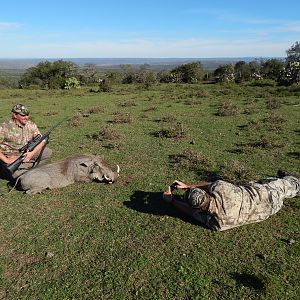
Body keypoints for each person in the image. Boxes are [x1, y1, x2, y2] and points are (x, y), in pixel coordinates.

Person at [163, 171, 300, 231]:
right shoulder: (220, 188)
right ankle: (292, 182)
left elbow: (191, 212)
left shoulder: (217, 224)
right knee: (282, 184)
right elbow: (209, 185)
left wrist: (172, 201)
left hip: (269, 210)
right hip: (263, 193)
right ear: (206, 193)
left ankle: (289, 181)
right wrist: (188, 185)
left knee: (273, 185)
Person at [0, 104, 52, 179]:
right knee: (16, 174)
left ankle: (26, 168)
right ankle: (19, 170)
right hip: (11, 156)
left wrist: (31, 154)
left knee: (47, 152)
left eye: (27, 115)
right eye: (23, 115)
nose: (26, 117)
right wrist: (6, 160)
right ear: (15, 115)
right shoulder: (4, 127)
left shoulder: (30, 124)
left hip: (26, 153)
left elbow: (42, 140)